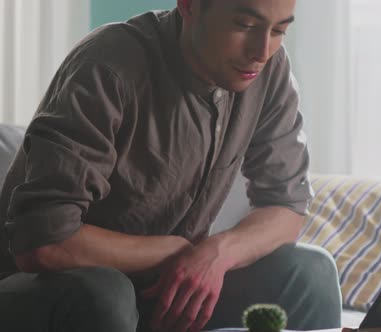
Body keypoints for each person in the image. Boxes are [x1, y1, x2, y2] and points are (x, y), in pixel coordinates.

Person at [0, 0, 342, 331]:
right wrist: (172, 250)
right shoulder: (108, 64)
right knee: (105, 293)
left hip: (159, 289)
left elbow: (286, 206)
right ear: (189, 5)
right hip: (43, 289)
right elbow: (43, 242)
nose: (262, 51)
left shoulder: (268, 70)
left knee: (309, 273)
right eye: (245, 25)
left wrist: (216, 254)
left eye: (279, 30)